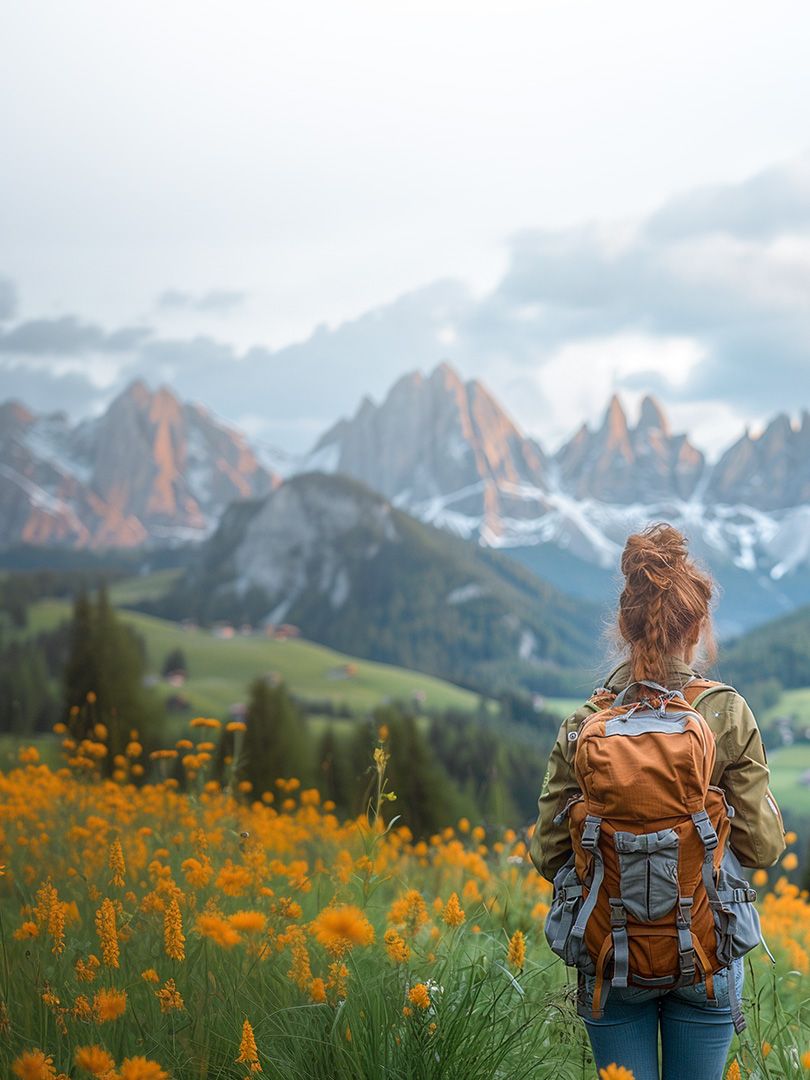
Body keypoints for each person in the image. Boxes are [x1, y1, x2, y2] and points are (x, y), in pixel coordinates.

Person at [529, 522, 786, 1080]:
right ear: (697, 628)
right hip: (706, 951)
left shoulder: (585, 725)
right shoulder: (728, 714)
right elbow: (763, 850)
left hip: (611, 955)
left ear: (624, 625)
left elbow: (548, 853)